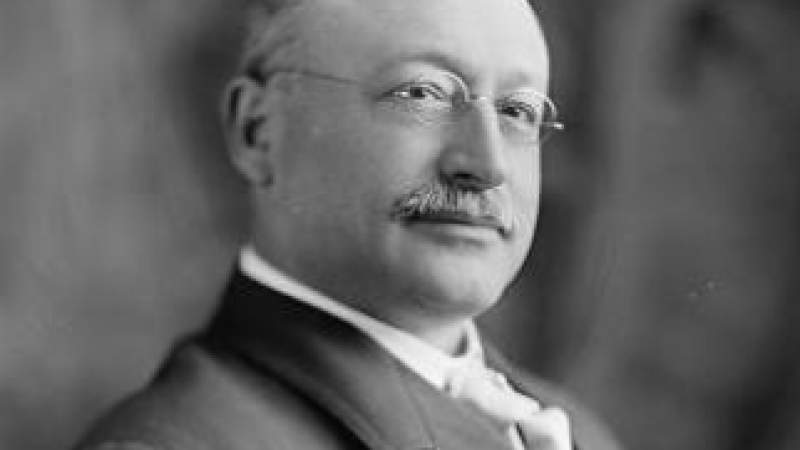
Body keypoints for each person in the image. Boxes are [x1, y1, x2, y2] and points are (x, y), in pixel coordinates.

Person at [76, 0, 622, 449]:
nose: (487, 164)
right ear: (258, 132)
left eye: (518, 111)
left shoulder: (577, 433)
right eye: (421, 94)